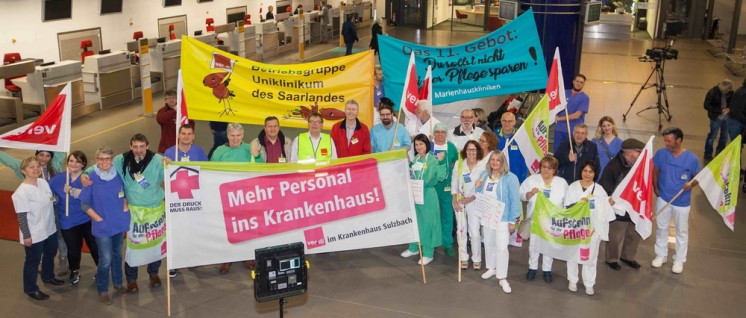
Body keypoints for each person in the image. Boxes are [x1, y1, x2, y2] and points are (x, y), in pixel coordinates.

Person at [104, 134, 166, 292]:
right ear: (131, 146)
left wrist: (170, 164)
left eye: (142, 146)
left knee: (155, 243)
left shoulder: (158, 160)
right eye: (135, 147)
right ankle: (132, 279)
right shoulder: (121, 160)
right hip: (134, 211)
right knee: (134, 245)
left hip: (155, 209)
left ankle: (154, 274)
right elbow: (103, 165)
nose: (138, 150)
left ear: (147, 146)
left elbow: (172, 174)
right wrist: (85, 174)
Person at [1, 149, 68, 276]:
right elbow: (8, 160)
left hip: (56, 206)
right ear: (36, 155)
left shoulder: (55, 165)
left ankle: (63, 258)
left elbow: (61, 147)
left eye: (48, 156)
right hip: (36, 208)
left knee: (59, 234)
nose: (44, 159)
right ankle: (42, 261)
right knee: (40, 236)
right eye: (41, 155)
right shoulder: (26, 167)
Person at [79, 147, 129, 305]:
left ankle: (118, 283)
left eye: (107, 159)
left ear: (112, 160)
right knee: (105, 259)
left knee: (117, 255)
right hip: (102, 227)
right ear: (96, 161)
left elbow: (126, 194)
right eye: (100, 159)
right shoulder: (90, 178)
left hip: (118, 223)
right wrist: (98, 219)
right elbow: (84, 205)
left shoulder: (119, 175)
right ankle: (102, 289)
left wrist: (125, 208)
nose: (104, 162)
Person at [212, 123, 263, 274]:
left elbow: (261, 167)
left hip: (245, 196)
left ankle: (246, 255)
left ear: (243, 135)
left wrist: (257, 155)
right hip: (226, 196)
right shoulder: (219, 152)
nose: (235, 139)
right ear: (227, 135)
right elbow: (211, 172)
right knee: (227, 229)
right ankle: (227, 258)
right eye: (232, 136)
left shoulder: (250, 149)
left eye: (238, 136)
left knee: (245, 227)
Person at [12, 156, 64, 301]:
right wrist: (27, 235)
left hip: (49, 227)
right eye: (31, 167)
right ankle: (30, 288)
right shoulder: (21, 193)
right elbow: (21, 217)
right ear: (23, 171)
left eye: (37, 166)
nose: (36, 169)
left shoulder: (42, 182)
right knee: (32, 260)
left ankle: (48, 276)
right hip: (34, 232)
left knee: (50, 253)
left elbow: (51, 199)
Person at [652, 127, 701, 274]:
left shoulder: (691, 159)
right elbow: (656, 171)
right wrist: (656, 189)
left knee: (681, 231)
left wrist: (691, 184)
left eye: (669, 140)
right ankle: (661, 255)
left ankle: (679, 259)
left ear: (679, 140)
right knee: (661, 228)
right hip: (664, 198)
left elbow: (697, 177)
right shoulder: (661, 154)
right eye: (665, 140)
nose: (666, 143)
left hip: (682, 202)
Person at [564, 161, 615, 296]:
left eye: (590, 171)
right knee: (573, 254)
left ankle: (589, 283)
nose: (587, 174)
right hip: (575, 228)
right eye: (585, 171)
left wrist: (609, 203)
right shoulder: (573, 187)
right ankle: (573, 280)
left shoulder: (599, 190)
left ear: (595, 174)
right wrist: (580, 203)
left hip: (592, 230)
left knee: (591, 257)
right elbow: (567, 207)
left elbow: (604, 210)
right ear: (581, 171)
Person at [48, 151, 99, 286]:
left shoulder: (86, 179)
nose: (73, 164)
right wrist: (53, 199)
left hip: (86, 219)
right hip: (68, 221)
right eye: (71, 161)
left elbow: (91, 196)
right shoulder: (59, 179)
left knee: (94, 246)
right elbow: (46, 192)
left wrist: (72, 191)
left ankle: (101, 269)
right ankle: (74, 270)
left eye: (77, 161)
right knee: (73, 249)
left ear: (83, 164)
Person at [474, 151, 522, 294]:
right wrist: (477, 186)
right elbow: (479, 194)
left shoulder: (510, 178)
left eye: (498, 160)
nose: (494, 163)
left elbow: (515, 201)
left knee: (502, 247)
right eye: (492, 160)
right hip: (488, 216)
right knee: (488, 243)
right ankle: (491, 268)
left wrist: (513, 220)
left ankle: (502, 277)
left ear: (503, 162)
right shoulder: (484, 175)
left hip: (503, 218)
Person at [598, 138, 645, 271]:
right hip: (618, 209)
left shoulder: (638, 165)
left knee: (633, 233)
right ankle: (611, 258)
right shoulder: (614, 166)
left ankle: (628, 256)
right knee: (615, 236)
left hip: (634, 207)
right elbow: (604, 186)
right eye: (638, 151)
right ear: (628, 152)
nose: (640, 154)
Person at [519, 155, 568, 283]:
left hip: (552, 220)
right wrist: (530, 194)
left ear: (554, 170)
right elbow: (521, 194)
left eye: (549, 168)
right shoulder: (532, 180)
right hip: (535, 218)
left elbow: (566, 201)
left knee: (549, 245)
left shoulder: (561, 182)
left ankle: (547, 270)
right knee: (534, 245)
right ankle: (532, 268)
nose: (546, 170)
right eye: (543, 167)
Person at [401, 134, 446, 265]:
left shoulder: (432, 159)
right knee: (416, 222)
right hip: (415, 195)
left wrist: (442, 162)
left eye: (421, 144)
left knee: (428, 224)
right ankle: (414, 247)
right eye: (416, 144)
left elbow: (442, 177)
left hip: (428, 195)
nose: (419, 147)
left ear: (427, 145)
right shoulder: (416, 159)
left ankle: (428, 253)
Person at [451, 140, 485, 270]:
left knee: (474, 232)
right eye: (469, 150)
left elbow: (483, 188)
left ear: (478, 151)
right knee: (461, 231)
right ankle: (463, 257)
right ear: (465, 151)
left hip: (475, 201)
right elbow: (454, 181)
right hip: (459, 202)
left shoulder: (483, 166)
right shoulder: (459, 164)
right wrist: (455, 200)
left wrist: (470, 199)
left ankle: (476, 258)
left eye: (474, 150)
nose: (471, 152)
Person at [432, 123, 459, 257]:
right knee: (431, 215)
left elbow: (456, 165)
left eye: (443, 131)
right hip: (431, 186)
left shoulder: (451, 147)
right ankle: (431, 242)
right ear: (434, 133)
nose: (440, 134)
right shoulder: (429, 147)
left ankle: (448, 244)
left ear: (446, 133)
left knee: (447, 215)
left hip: (447, 187)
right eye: (438, 132)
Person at [554, 74, 589, 153]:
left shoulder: (585, 98)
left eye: (581, 82)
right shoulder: (563, 93)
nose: (579, 83)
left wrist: (559, 118)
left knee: (572, 155)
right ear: (573, 82)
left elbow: (577, 115)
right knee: (557, 153)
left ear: (583, 84)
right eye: (577, 81)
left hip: (574, 132)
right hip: (560, 129)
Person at [703, 79, 734, 161]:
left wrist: (729, 108)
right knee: (712, 136)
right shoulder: (712, 92)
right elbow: (706, 105)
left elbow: (732, 103)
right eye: (726, 91)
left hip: (726, 118)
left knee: (724, 136)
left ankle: (719, 153)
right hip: (716, 118)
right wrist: (720, 110)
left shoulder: (730, 92)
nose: (727, 92)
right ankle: (708, 154)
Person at [156, 89, 195, 154]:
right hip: (168, 143)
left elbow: (191, 123)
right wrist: (174, 111)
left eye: (174, 98)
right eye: (169, 98)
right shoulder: (161, 111)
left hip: (183, 142)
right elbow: (161, 120)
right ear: (165, 100)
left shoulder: (183, 110)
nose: (172, 100)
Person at [496, 112, 528, 183]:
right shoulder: (494, 136)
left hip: (517, 175)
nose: (507, 123)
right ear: (501, 121)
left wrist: (522, 177)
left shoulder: (521, 135)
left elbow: (525, 157)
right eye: (504, 121)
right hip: (498, 175)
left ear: (514, 122)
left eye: (510, 121)